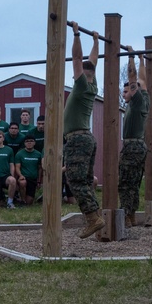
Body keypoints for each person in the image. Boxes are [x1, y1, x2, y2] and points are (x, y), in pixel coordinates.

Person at [63, 22, 103, 238]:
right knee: (85, 180)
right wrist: (96, 41)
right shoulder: (93, 83)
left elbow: (77, 59)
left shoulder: (81, 86)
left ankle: (92, 217)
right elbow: (91, 61)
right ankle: (95, 215)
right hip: (87, 138)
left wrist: (76, 33)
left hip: (78, 139)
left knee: (75, 180)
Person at [119, 51, 150, 227]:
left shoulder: (137, 100)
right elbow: (143, 80)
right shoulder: (144, 97)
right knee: (134, 182)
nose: (124, 94)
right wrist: (141, 60)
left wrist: (130, 56)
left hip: (132, 147)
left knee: (125, 182)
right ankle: (130, 214)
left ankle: (125, 215)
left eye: (126, 91)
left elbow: (134, 78)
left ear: (133, 90)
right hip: (139, 146)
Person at [13, 135, 42, 206]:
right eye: (27, 141)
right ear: (24, 143)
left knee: (29, 202)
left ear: (34, 143)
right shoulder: (19, 154)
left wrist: (39, 180)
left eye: (31, 141)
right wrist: (20, 175)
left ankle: (22, 199)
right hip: (24, 177)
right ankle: (22, 200)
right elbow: (17, 167)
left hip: (33, 178)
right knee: (22, 182)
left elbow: (40, 168)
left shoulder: (38, 154)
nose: (29, 143)